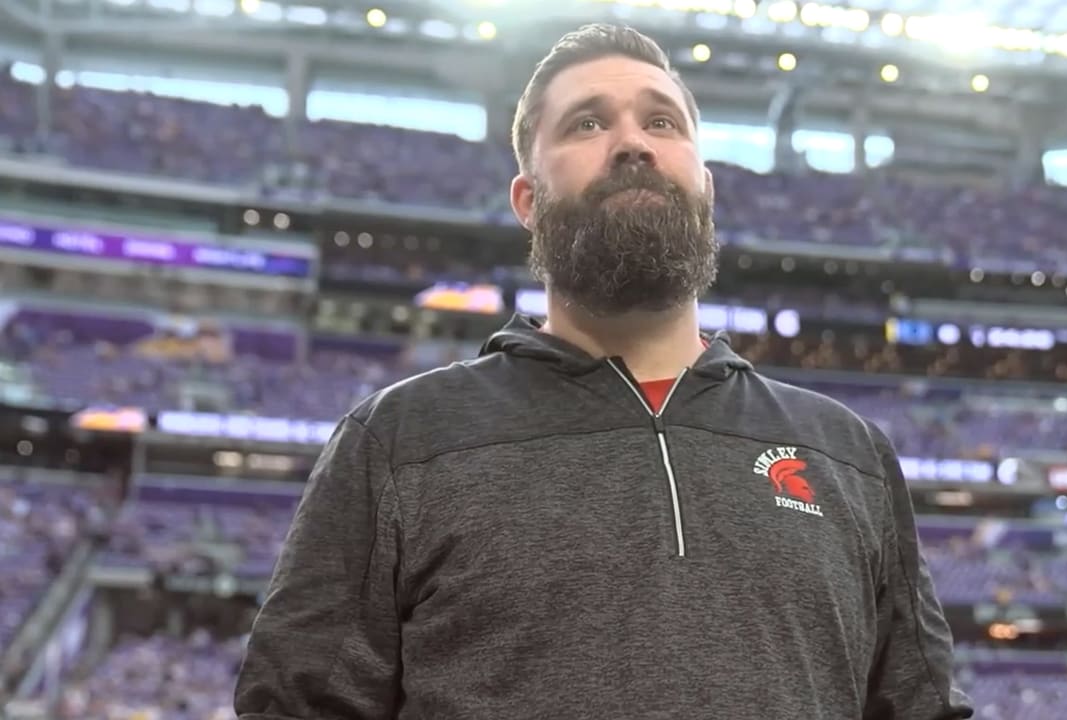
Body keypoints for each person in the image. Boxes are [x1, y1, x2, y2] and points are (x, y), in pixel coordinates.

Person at [234, 23, 973, 720]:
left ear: (704, 186)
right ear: (528, 201)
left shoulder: (848, 455)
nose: (632, 144)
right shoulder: (398, 440)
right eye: (587, 124)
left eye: (662, 123)